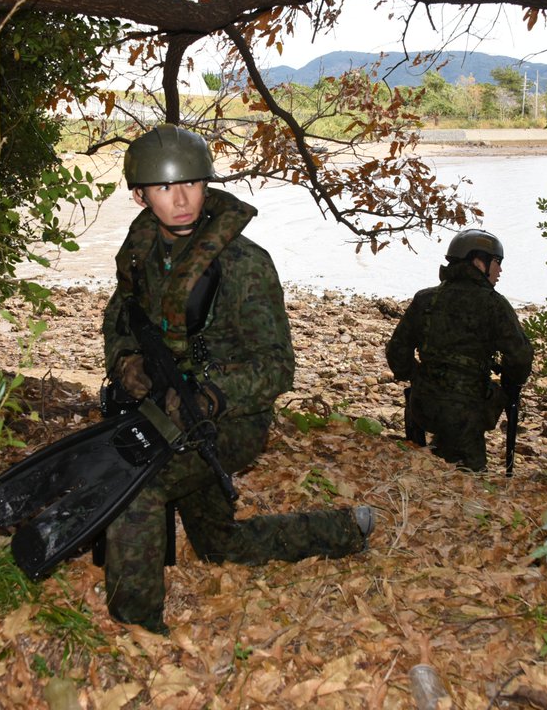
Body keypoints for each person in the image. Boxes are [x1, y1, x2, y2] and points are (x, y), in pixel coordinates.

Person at [100, 124, 373, 634]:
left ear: (207, 185)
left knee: (135, 487)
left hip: (230, 421)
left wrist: (212, 395)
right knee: (220, 545)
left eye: (193, 184)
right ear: (140, 195)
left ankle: (136, 630)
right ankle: (345, 528)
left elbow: (277, 365)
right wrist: (125, 362)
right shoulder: (140, 253)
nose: (181, 199)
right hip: (161, 409)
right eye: (164, 188)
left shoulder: (245, 264)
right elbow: (119, 320)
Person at [385, 228, 534, 472]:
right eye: (497, 262)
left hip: (422, 404)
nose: (500, 270)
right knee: (469, 479)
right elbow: (520, 356)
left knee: (430, 467)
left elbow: (397, 353)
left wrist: (417, 376)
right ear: (478, 262)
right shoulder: (494, 304)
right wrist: (509, 387)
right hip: (467, 413)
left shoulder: (425, 299)